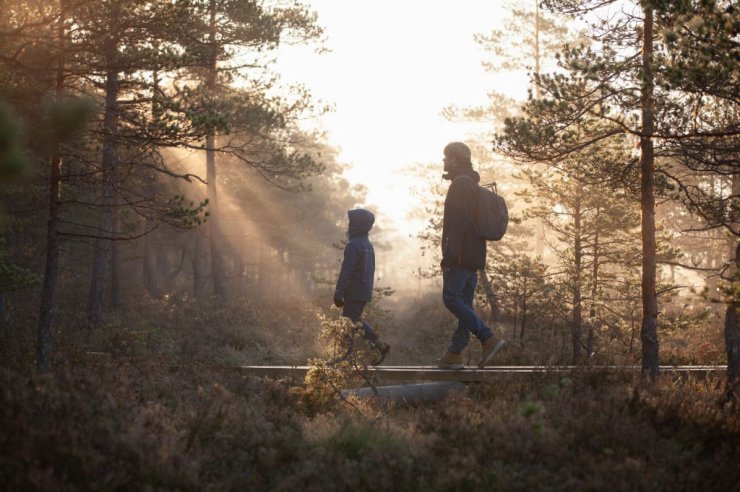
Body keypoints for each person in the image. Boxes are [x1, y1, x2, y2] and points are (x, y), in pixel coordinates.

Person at [437, 142, 505, 369]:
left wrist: (449, 255)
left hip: (461, 256)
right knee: (464, 303)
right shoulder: (470, 184)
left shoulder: (460, 184)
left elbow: (459, 222)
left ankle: (487, 338)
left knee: (451, 299)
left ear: (455, 159)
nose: (444, 161)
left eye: (446, 157)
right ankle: (454, 353)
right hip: (474, 256)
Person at [333, 208, 391, 364]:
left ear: (357, 225)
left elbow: (347, 270)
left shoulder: (354, 245)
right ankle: (378, 346)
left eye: (351, 222)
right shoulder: (367, 244)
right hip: (363, 291)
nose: (349, 225)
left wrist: (339, 292)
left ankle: (347, 356)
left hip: (354, 292)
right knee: (353, 321)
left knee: (348, 322)